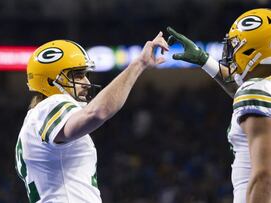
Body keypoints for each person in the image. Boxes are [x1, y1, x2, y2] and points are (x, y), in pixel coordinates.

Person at [167, 8, 271, 203]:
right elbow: (249, 94)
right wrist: (205, 60)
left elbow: (264, 177)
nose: (231, 52)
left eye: (235, 45)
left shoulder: (257, 94)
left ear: (253, 49)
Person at [14, 33, 168, 203]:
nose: (87, 82)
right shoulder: (51, 105)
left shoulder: (35, 119)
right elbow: (97, 113)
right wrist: (139, 63)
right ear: (50, 81)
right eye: (78, 75)